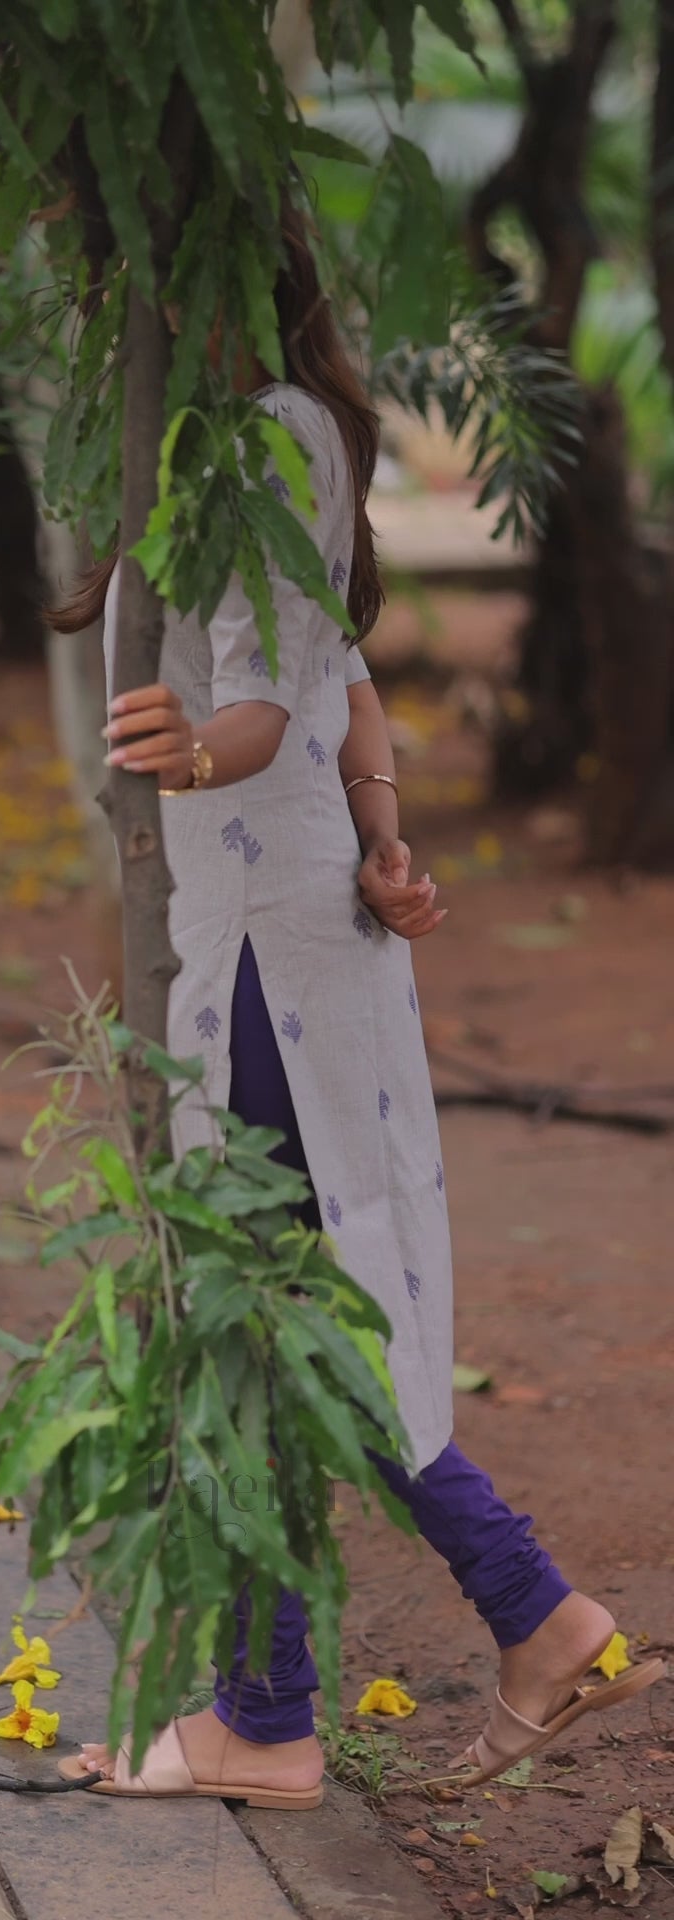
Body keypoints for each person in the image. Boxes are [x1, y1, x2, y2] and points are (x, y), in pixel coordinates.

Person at [53, 204, 663, 1807]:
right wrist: (388, 838)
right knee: (305, 1311)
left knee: (266, 1318)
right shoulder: (288, 425)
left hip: (263, 941)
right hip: (301, 918)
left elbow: (260, 705)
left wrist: (176, 750)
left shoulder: (251, 433)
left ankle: (324, 1694)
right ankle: (448, 1649)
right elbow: (344, 680)